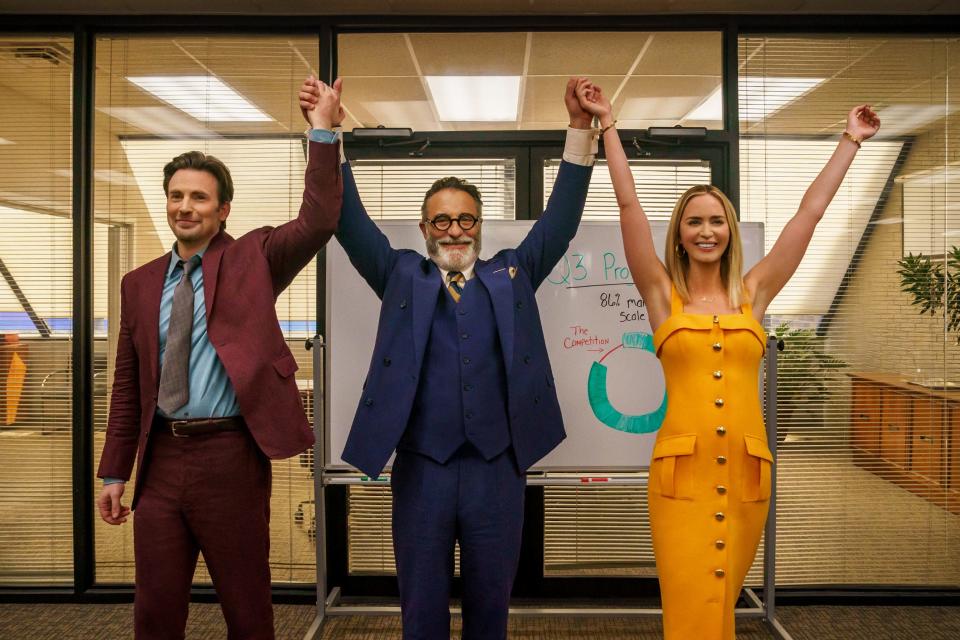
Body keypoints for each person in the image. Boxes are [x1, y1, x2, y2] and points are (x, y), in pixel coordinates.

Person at [576, 81, 879, 639]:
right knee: (691, 605)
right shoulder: (662, 295)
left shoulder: (754, 294)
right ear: (681, 235)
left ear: (730, 230)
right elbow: (629, 207)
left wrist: (849, 142)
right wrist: (608, 127)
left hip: (746, 475)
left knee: (722, 608)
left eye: (717, 221)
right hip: (681, 480)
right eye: (695, 221)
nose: (707, 230)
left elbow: (807, 218)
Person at [299, 76, 597, 639]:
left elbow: (560, 220)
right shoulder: (399, 275)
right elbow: (347, 218)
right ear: (424, 228)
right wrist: (326, 133)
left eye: (466, 219)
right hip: (421, 471)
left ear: (480, 226)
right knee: (422, 613)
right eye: (442, 220)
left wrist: (580, 132)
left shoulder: (513, 273)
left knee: (491, 613)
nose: (455, 229)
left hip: (497, 471)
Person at [95, 79, 345, 639]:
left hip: (231, 456)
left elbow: (320, 219)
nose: (185, 207)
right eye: (176, 196)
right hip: (159, 461)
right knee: (155, 610)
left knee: (246, 606)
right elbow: (128, 386)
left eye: (199, 197)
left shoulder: (254, 258)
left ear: (222, 208)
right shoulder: (138, 285)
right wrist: (115, 471)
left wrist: (322, 131)